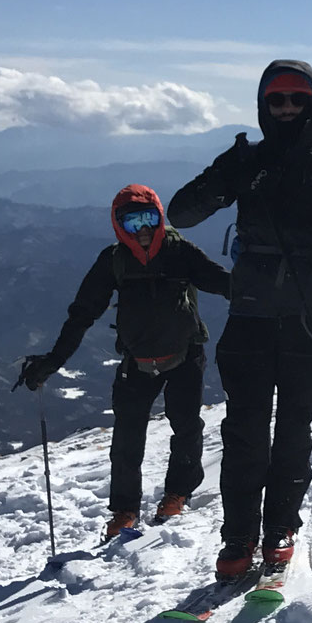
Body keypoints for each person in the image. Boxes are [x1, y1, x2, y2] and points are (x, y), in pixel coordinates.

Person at [170, 61, 312, 580]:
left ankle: (279, 526)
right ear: (263, 106)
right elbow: (182, 214)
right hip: (259, 316)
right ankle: (240, 536)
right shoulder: (246, 161)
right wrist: (227, 175)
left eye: (296, 100)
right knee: (245, 432)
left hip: (307, 316)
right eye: (277, 100)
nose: (286, 109)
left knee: (291, 431)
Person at [16, 184, 229, 540]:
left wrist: (273, 288)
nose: (142, 230)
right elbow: (82, 313)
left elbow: (223, 283)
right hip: (139, 361)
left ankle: (178, 494)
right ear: (119, 226)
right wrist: (52, 362)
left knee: (186, 427)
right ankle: (125, 510)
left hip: (184, 355)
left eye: (149, 219)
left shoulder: (180, 252)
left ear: (160, 219)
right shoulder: (114, 261)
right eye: (132, 223)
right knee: (127, 441)